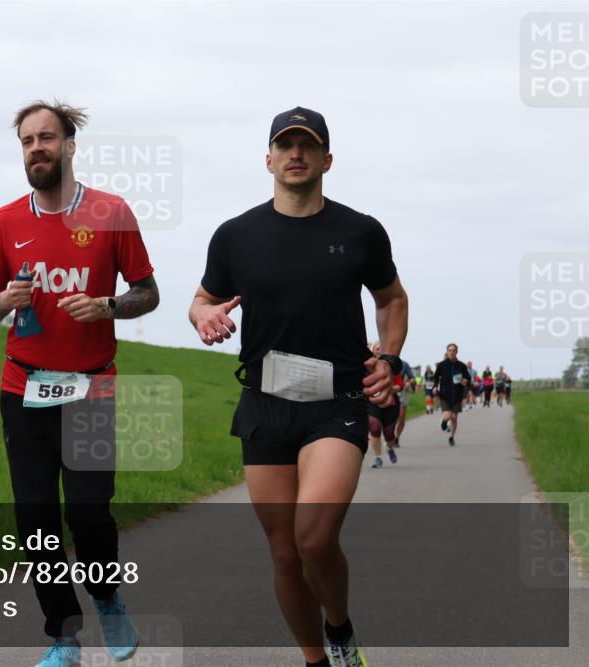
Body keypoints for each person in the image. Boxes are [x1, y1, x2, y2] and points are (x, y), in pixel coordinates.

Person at [189, 106, 408, 667]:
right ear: (268, 159)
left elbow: (392, 299)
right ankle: (317, 661)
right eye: (284, 145)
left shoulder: (360, 231)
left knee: (313, 538)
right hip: (265, 402)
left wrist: (389, 355)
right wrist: (204, 318)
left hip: (337, 399)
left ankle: (339, 630)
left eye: (307, 146)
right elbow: (202, 298)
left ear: (326, 159)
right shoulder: (235, 235)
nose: (295, 154)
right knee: (285, 554)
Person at [0, 100, 159, 667]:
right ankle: (62, 635)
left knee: (88, 511)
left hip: (91, 386)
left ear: (69, 145)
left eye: (46, 138)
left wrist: (105, 305)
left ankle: (105, 597)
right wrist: (2, 301)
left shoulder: (111, 212)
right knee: (34, 520)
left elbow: (148, 292)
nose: (37, 149)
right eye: (27, 141)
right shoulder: (5, 221)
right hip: (22, 387)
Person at [367, 342, 400, 468]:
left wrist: (390, 388)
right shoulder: (367, 366)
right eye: (377, 348)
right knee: (374, 427)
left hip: (390, 402)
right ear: (373, 351)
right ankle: (378, 457)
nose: (380, 350)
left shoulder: (391, 365)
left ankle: (390, 448)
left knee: (389, 433)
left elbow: (400, 385)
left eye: (382, 348)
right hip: (372, 402)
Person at [432, 343, 469, 446]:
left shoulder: (461, 366)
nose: (452, 352)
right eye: (450, 350)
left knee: (455, 418)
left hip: (457, 395)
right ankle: (444, 421)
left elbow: (468, 379)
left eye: (454, 350)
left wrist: (465, 382)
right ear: (447, 352)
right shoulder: (441, 365)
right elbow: (435, 378)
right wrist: (435, 387)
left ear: (457, 352)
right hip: (444, 395)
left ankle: (451, 437)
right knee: (448, 416)